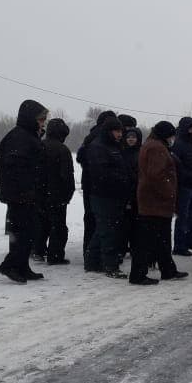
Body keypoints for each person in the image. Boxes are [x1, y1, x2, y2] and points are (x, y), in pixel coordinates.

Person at [0, 100, 49, 284]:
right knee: (24, 232)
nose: (43, 123)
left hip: (26, 194)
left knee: (28, 231)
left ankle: (22, 267)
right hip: (20, 195)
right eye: (41, 119)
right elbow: (15, 168)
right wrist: (25, 190)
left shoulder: (27, 136)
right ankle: (9, 265)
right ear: (31, 119)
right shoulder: (19, 137)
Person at [130, 121, 187, 285]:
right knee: (150, 240)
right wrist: (169, 193)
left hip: (151, 201)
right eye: (171, 135)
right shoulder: (157, 148)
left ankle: (167, 269)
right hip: (155, 202)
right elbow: (157, 176)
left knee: (161, 239)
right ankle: (139, 274)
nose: (173, 139)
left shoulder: (151, 145)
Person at [83, 116, 134, 278]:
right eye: (117, 131)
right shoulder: (98, 147)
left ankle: (92, 262)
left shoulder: (115, 146)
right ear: (109, 131)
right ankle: (110, 266)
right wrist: (121, 178)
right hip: (103, 196)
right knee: (108, 232)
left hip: (114, 195)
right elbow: (101, 173)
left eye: (121, 131)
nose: (120, 134)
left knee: (103, 231)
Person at [32, 118, 75, 265]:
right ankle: (55, 256)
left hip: (39, 194)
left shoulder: (38, 146)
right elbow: (67, 176)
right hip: (57, 196)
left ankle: (38, 251)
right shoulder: (63, 150)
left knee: (41, 224)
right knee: (58, 227)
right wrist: (68, 194)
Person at [76, 110, 116, 255]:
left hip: (88, 181)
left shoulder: (90, 136)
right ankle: (96, 253)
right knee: (103, 220)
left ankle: (88, 249)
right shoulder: (105, 137)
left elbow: (80, 157)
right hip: (100, 185)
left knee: (90, 217)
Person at [171, 117, 192, 256]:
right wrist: (188, 176)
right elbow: (177, 165)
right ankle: (179, 245)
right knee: (183, 216)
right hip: (184, 185)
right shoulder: (179, 144)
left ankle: (190, 240)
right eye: (191, 128)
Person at [120, 127, 142, 260]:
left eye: (133, 137)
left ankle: (135, 248)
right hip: (125, 192)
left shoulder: (141, 153)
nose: (131, 140)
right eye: (128, 137)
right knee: (124, 225)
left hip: (138, 192)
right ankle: (122, 248)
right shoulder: (122, 152)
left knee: (136, 224)